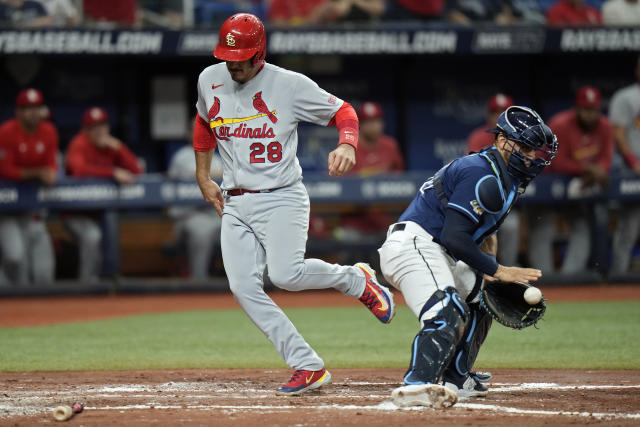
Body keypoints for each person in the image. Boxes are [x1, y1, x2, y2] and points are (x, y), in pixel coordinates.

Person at [193, 13, 395, 396]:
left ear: (259, 54)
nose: (232, 63)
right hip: (235, 202)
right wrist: (203, 176)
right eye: (227, 56)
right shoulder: (210, 78)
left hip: (281, 196)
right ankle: (307, 365)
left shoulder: (289, 84)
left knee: (286, 275)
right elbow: (204, 123)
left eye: (240, 57)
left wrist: (348, 143)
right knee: (243, 288)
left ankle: (355, 279)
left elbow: (344, 111)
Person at [379, 106, 557, 407]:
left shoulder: (506, 177)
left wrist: (488, 274)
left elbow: (486, 232)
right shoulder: (479, 171)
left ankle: (455, 378)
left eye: (534, 149)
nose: (530, 155)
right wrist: (498, 269)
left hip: (437, 252)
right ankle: (416, 386)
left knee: (484, 296)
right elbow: (454, 236)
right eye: (524, 146)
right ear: (501, 139)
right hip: (415, 245)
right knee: (446, 309)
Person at [529, 86, 613, 275]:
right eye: (585, 109)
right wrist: (587, 169)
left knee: (582, 226)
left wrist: (598, 171)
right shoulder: (560, 124)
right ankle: (543, 278)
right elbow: (556, 161)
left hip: (579, 185)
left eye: (593, 110)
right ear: (577, 108)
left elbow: (606, 159)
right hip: (547, 185)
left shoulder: (605, 126)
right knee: (542, 226)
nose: (590, 115)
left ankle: (570, 278)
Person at [65, 107, 142, 282]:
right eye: (94, 128)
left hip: (102, 213)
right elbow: (78, 169)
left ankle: (108, 278)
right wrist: (111, 172)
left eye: (103, 126)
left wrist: (120, 148)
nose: (100, 131)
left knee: (110, 227)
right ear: (85, 130)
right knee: (93, 236)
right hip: (77, 212)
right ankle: (87, 284)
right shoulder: (79, 144)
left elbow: (136, 170)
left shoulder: (111, 146)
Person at [0, 89, 58, 285]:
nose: (32, 113)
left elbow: (51, 165)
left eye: (36, 108)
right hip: (6, 208)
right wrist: (37, 173)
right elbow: (5, 170)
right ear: (18, 112)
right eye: (27, 108)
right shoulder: (6, 132)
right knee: (15, 257)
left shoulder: (49, 131)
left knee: (44, 273)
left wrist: (49, 172)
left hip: (33, 208)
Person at [467, 94, 521, 267]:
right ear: (488, 115)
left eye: (503, 113)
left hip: (509, 204)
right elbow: (475, 173)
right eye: (495, 113)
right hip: (482, 204)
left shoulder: (522, 139)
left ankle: (509, 272)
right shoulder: (478, 137)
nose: (498, 118)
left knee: (512, 224)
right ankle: (485, 271)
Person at [167, 126, 224, 280]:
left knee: (240, 232)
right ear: (189, 133)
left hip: (214, 213)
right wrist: (212, 176)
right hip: (190, 214)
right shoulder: (182, 156)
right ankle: (199, 282)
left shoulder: (217, 158)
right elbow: (197, 174)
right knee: (200, 231)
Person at [609, 56, 640, 277]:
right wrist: (634, 162)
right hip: (633, 170)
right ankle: (618, 276)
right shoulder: (626, 97)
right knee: (628, 227)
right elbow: (618, 135)